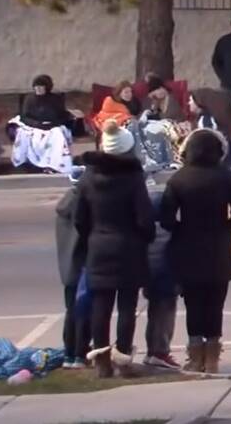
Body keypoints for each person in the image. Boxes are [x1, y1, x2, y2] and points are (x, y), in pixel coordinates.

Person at [159, 128, 231, 374]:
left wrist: (179, 229)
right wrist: (226, 228)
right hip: (219, 246)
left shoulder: (179, 179)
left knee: (194, 304)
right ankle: (213, 356)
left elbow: (165, 216)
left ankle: (195, 354)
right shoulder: (226, 176)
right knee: (215, 304)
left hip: (188, 246)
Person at [76, 120, 155, 378]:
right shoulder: (133, 178)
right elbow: (144, 217)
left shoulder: (88, 177)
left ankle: (101, 361)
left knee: (101, 304)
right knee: (127, 306)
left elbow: (80, 218)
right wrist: (146, 237)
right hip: (129, 246)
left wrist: (92, 236)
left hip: (98, 245)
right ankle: (122, 358)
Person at [54, 170, 89, 368]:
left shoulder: (63, 206)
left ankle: (69, 353)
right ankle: (79, 354)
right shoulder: (80, 205)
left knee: (71, 311)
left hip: (67, 269)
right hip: (82, 266)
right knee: (84, 311)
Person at [9, 74, 76, 174]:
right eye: (36, 87)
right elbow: (24, 116)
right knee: (25, 134)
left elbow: (62, 115)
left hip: (52, 126)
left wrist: (52, 124)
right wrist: (36, 124)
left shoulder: (55, 99)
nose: (38, 89)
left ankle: (54, 164)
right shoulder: (29, 99)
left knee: (58, 135)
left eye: (41, 87)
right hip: (34, 126)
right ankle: (27, 163)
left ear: (47, 87)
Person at [143, 186, 179, 370]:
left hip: (149, 278)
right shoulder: (170, 231)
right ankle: (159, 351)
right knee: (164, 317)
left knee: (153, 314)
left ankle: (153, 350)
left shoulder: (144, 231)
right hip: (166, 279)